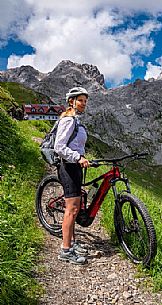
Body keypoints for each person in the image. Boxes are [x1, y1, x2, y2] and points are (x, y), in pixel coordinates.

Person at [54, 87, 91, 265]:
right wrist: (78, 157)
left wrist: (82, 157)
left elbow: (76, 145)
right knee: (72, 210)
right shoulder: (68, 120)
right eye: (80, 100)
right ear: (71, 101)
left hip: (74, 166)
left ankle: (73, 243)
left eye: (85, 101)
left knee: (75, 208)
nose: (83, 103)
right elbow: (59, 147)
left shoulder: (76, 121)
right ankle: (65, 250)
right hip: (68, 167)